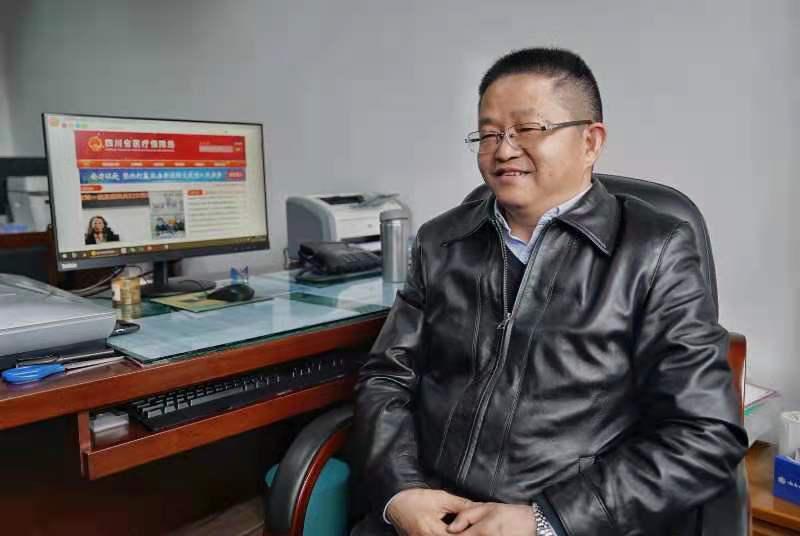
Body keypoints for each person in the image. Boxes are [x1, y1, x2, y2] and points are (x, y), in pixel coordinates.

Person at [351, 48, 747, 536]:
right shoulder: (441, 241)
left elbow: (705, 433)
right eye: (489, 134)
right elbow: (386, 378)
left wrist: (546, 520)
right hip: (430, 516)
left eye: (528, 129)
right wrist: (401, 491)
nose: (503, 150)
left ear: (590, 142)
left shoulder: (654, 250)